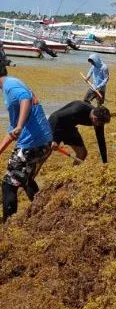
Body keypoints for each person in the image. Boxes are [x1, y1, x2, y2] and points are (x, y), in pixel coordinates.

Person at [1, 66, 53, 222]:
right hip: (43, 141)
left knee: (9, 184)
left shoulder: (9, 86)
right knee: (26, 179)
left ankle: (8, 224)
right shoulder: (13, 82)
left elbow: (25, 98)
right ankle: (42, 214)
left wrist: (20, 126)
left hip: (32, 143)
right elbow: (12, 130)